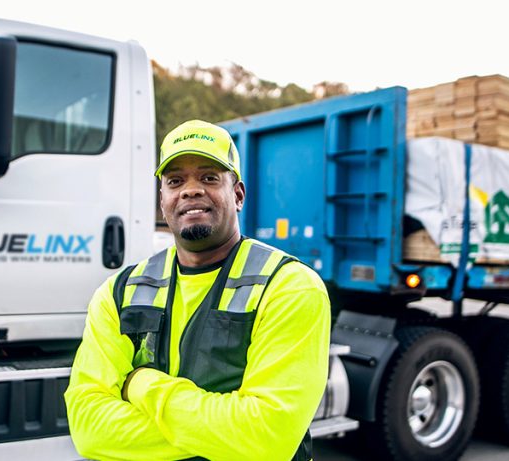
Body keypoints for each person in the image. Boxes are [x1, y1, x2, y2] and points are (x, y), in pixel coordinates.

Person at [65, 120, 331, 461]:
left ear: (237, 194)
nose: (190, 190)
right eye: (175, 181)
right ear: (162, 200)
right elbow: (89, 430)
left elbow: (266, 437)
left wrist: (141, 384)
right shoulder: (120, 292)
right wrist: (220, 436)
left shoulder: (290, 287)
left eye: (208, 177)